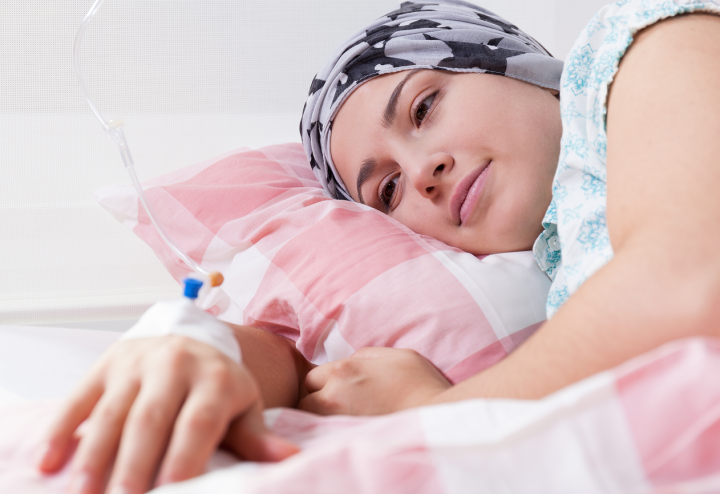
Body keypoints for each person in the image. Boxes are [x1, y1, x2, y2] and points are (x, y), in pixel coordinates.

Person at [36, 1, 720, 493]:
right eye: (387, 189)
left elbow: (688, 287)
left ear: (516, 66)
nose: (422, 172)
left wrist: (435, 415)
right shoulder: (552, 259)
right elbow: (317, 370)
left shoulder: (651, 42)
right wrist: (202, 346)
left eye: (423, 108)